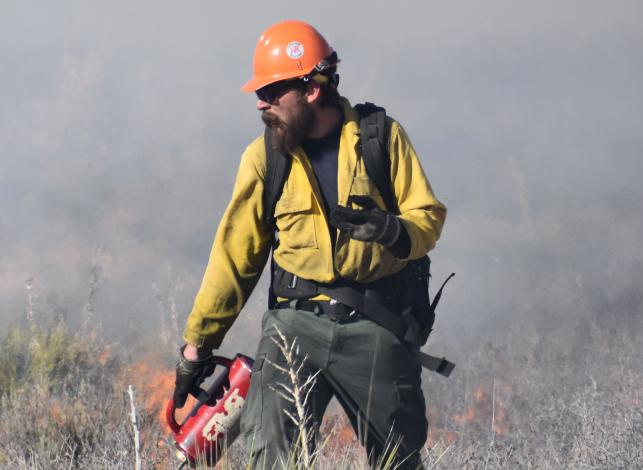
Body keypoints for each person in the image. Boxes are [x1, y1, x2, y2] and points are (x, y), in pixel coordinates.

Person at [171, 19, 447, 470]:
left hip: (376, 326)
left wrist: (393, 232)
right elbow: (234, 259)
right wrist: (197, 346)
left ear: (313, 90)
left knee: (398, 460)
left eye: (274, 91)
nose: (262, 102)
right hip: (294, 327)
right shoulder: (265, 158)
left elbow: (427, 217)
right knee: (272, 456)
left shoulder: (382, 139)